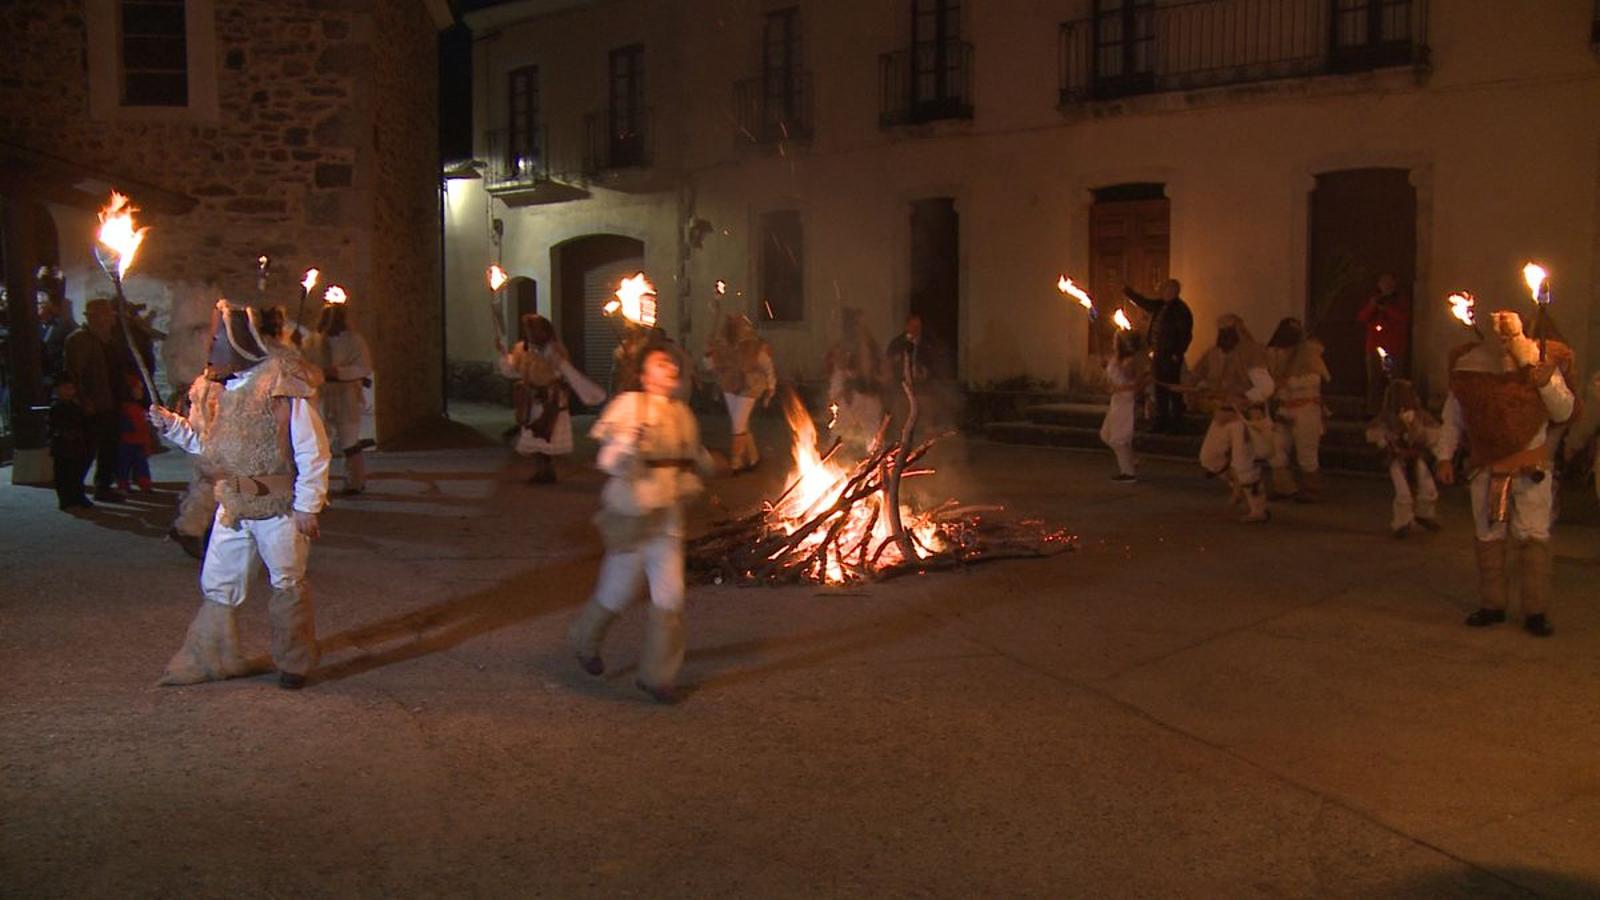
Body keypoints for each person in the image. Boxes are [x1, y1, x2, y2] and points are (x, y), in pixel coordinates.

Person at [147, 299, 331, 689]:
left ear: (238, 342)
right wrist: (173, 427)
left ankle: (294, 662)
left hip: (277, 508)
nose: (209, 347)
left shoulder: (280, 388)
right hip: (232, 505)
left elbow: (312, 449)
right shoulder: (214, 394)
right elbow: (207, 448)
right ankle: (212, 656)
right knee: (219, 581)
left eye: (216, 339)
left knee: (287, 581)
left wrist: (307, 505)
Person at [567, 347, 714, 704]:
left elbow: (695, 459)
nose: (670, 368)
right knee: (616, 594)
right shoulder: (629, 406)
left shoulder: (683, 414)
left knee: (670, 600)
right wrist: (629, 442)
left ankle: (657, 677)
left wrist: (703, 470)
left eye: (672, 364)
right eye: (659, 364)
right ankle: (583, 640)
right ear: (645, 377)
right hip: (633, 520)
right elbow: (608, 461)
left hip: (667, 523)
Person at [1435, 309, 1574, 637]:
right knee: (1488, 534)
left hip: (1530, 468)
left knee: (1533, 535)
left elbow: (1564, 409)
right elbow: (1453, 416)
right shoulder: (1469, 368)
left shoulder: (1538, 363)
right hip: (1487, 467)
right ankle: (1492, 605)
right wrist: (1444, 456)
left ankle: (1535, 611)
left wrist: (1546, 384)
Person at [1185, 314, 1275, 523]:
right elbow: (1197, 376)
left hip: (1244, 416)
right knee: (1209, 457)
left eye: (1228, 328)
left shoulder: (1251, 353)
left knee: (1243, 463)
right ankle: (1236, 485)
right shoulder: (1214, 354)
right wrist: (1191, 387)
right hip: (1222, 414)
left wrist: (1245, 397)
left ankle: (1258, 509)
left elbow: (1266, 387)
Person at [497, 313, 602, 483]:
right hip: (531, 400)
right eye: (528, 329)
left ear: (544, 331)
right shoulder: (522, 349)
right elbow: (512, 371)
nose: (530, 333)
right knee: (534, 434)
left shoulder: (554, 350)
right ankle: (542, 471)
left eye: (534, 329)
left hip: (550, 399)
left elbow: (564, 373)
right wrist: (503, 353)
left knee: (546, 432)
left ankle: (547, 471)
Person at [302, 295, 374, 494]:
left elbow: (364, 367)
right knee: (318, 443)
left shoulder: (354, 341)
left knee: (349, 441)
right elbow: (303, 364)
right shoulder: (312, 341)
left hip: (345, 395)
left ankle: (355, 481)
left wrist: (340, 372)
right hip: (321, 394)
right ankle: (318, 486)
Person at [63, 298, 123, 502]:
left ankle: (103, 486)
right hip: (93, 403)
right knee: (86, 449)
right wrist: (83, 400)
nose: (110, 320)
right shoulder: (80, 340)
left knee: (109, 447)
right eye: (106, 316)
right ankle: (73, 492)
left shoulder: (107, 339)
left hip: (110, 400)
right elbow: (74, 373)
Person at [1265, 317, 1331, 501]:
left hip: (1306, 408)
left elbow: (1314, 380)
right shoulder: (1274, 353)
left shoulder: (1308, 353)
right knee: (1275, 448)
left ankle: (1312, 490)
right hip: (1284, 408)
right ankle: (1284, 486)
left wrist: (1285, 383)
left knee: (1306, 452)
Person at [1366, 379, 1441, 538]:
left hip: (1416, 455)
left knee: (1428, 487)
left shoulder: (1421, 416)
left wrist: (1421, 439)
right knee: (1403, 491)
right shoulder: (1387, 418)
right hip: (1397, 458)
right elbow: (1376, 435)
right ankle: (1402, 523)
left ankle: (1424, 515)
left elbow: (1432, 434)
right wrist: (1390, 445)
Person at [706, 313, 775, 473]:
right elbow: (710, 366)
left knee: (738, 425)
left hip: (749, 387)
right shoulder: (722, 346)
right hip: (730, 386)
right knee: (741, 424)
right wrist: (709, 354)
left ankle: (736, 462)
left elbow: (767, 366)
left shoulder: (753, 347)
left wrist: (771, 388)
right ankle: (753, 458)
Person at [168, 366, 225, 560]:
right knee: (210, 485)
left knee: (210, 487)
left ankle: (191, 529)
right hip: (212, 446)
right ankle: (189, 529)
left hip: (215, 445)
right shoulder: (211, 388)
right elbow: (203, 425)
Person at [1124, 279, 1194, 434]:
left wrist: (1177, 352)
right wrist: (1128, 292)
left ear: (1174, 291)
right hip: (1158, 353)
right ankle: (1161, 420)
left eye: (1165, 289)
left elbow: (1185, 334)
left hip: (1170, 355)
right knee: (1159, 387)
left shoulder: (1181, 310)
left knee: (1172, 388)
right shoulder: (1161, 305)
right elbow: (1144, 303)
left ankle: (1176, 423)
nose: (1162, 291)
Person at [825, 308, 885, 451]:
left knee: (873, 430)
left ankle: (877, 460)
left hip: (870, 394)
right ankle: (830, 457)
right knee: (840, 426)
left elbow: (880, 368)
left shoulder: (872, 345)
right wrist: (837, 394)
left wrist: (878, 380)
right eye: (858, 322)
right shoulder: (845, 346)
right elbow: (837, 371)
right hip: (850, 395)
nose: (862, 325)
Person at [1099, 328, 1149, 483]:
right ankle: (1130, 459)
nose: (1113, 341)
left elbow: (1136, 383)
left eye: (1116, 339)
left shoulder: (1130, 361)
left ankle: (1128, 473)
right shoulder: (1117, 358)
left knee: (1118, 438)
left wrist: (1119, 387)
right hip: (1117, 400)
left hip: (1126, 402)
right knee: (1106, 435)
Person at [1358, 274, 1411, 412]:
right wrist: (1372, 306)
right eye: (1383, 283)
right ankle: (1373, 411)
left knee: (1394, 382)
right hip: (1374, 346)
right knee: (1374, 381)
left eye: (1389, 283)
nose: (1386, 286)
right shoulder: (1374, 299)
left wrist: (1386, 309)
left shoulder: (1400, 301)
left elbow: (1403, 319)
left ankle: (1394, 410)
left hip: (1393, 347)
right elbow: (1362, 318)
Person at [48, 376, 94, 511]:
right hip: (63, 445)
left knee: (77, 474)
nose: (69, 392)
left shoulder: (75, 405)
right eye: (66, 388)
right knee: (64, 475)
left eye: (71, 388)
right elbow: (54, 426)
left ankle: (79, 497)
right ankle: (66, 501)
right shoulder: (56, 407)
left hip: (77, 445)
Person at [116, 371, 154, 493]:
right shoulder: (126, 409)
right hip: (128, 442)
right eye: (137, 389)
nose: (140, 392)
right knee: (125, 465)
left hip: (138, 441)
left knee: (141, 465)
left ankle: (144, 484)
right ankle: (124, 484)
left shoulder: (139, 408)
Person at [37, 290, 76, 386]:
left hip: (58, 376)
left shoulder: (65, 326)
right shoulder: (38, 327)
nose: (40, 307)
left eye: (42, 304)